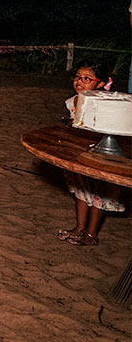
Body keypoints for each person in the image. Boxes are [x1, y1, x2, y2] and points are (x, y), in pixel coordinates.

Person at [58, 62, 123, 245]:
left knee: (97, 196)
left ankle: (91, 234)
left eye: (87, 79)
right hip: (79, 153)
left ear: (100, 84)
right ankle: (79, 227)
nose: (80, 82)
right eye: (78, 77)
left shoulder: (104, 103)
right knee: (80, 191)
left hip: (99, 155)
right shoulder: (73, 101)